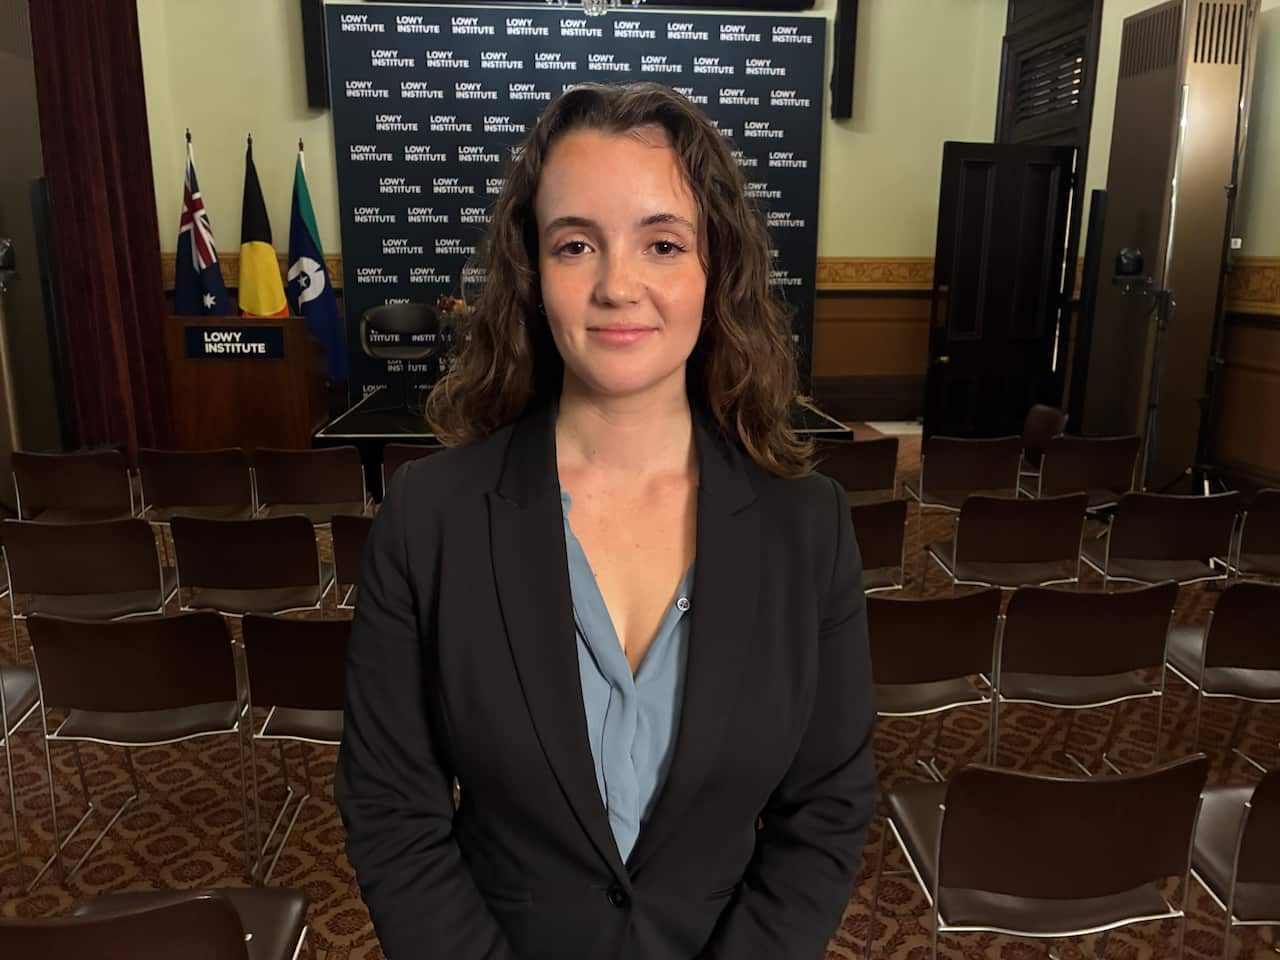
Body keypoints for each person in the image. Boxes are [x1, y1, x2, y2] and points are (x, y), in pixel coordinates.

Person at [336, 81, 877, 960]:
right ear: (532, 272)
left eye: (662, 243)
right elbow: (393, 814)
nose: (618, 285)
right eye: (576, 244)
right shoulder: (428, 519)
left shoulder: (807, 527)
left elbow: (828, 809)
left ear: (717, 268)